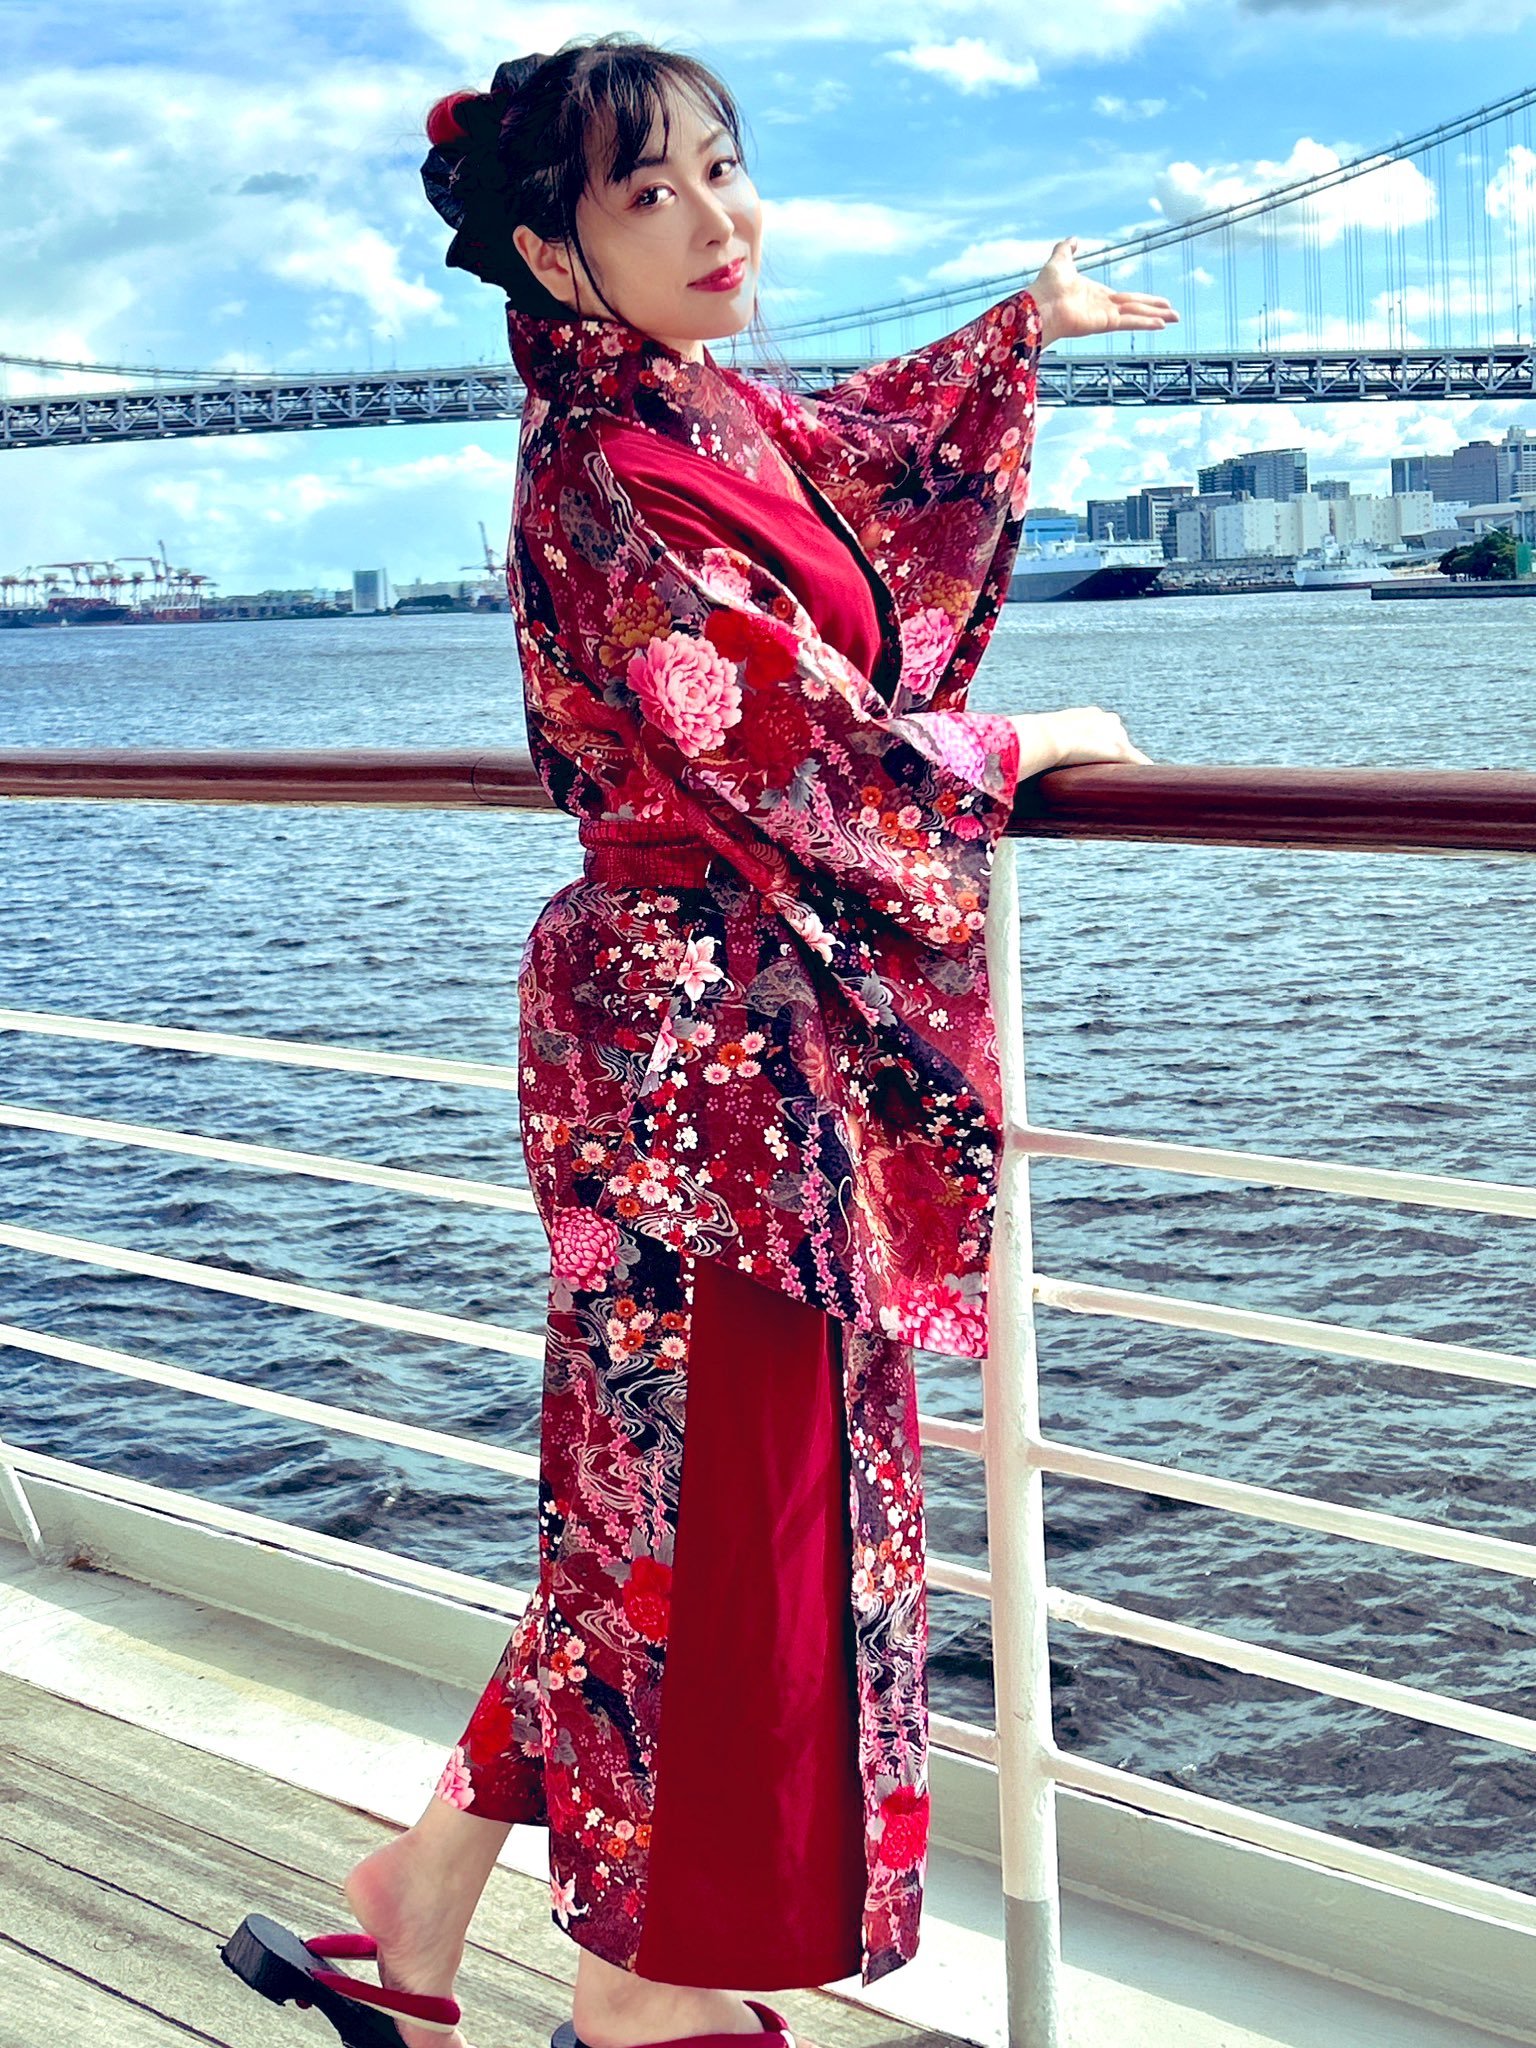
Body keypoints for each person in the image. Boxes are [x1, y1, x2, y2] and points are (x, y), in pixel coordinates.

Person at [335, 33, 1167, 2048]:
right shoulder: (609, 468)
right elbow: (806, 741)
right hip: (703, 1076)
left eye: (726, 166)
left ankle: (427, 1899)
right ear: (556, 253)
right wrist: (1032, 741)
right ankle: (655, 1997)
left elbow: (866, 457)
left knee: (674, 1489)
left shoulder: (692, 414)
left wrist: (1015, 332)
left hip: (722, 1059)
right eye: (651, 193)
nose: (719, 220)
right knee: (728, 1515)